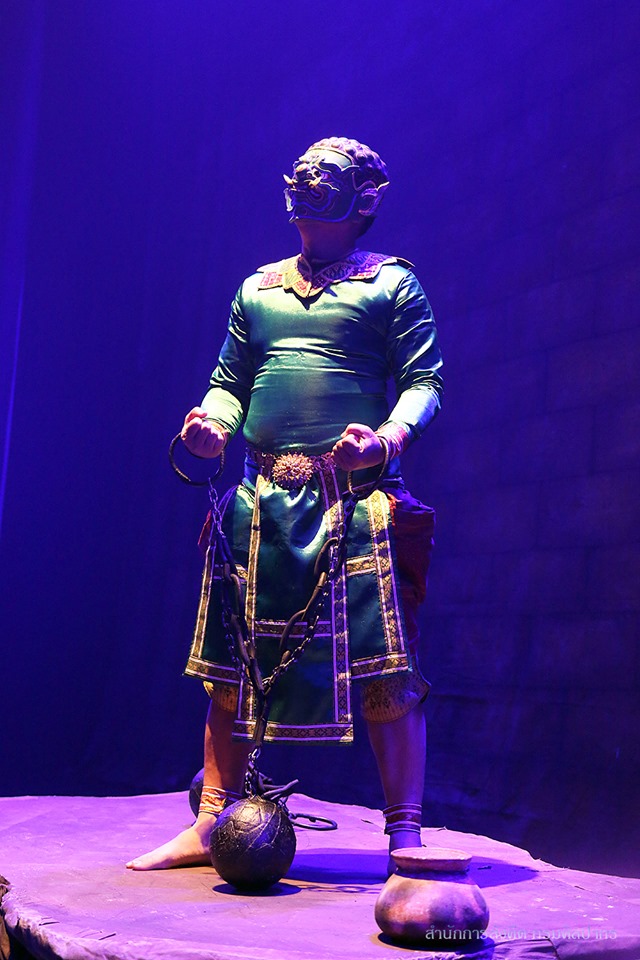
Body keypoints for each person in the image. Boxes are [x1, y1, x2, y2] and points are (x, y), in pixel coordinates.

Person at [127, 137, 443, 872]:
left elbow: (424, 382)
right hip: (260, 505)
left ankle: (406, 837)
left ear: (364, 200)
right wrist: (212, 426)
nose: (306, 185)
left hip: (354, 503)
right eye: (302, 176)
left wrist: (386, 442)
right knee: (228, 668)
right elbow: (229, 383)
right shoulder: (257, 289)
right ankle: (210, 822)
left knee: (386, 669)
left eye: (325, 178)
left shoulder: (392, 284)